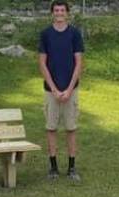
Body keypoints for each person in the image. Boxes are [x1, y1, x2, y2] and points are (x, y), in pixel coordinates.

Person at [38, 0, 84, 181]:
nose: (59, 13)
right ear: (52, 13)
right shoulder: (45, 34)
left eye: (62, 10)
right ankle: (53, 168)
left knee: (71, 129)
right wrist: (55, 90)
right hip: (51, 91)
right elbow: (42, 63)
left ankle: (72, 168)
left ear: (67, 13)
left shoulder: (74, 34)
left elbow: (79, 62)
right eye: (56, 10)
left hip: (71, 90)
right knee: (51, 128)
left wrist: (69, 89)